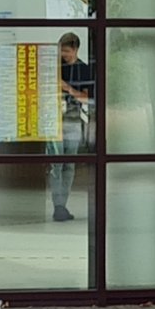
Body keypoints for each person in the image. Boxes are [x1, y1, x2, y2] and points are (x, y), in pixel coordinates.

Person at [47, 32, 94, 221]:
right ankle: (57, 205)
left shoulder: (84, 69)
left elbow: (87, 98)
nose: (63, 55)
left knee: (69, 164)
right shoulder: (55, 67)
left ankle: (63, 205)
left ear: (75, 50)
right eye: (61, 51)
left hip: (73, 119)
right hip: (54, 119)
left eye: (66, 51)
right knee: (56, 164)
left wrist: (67, 88)